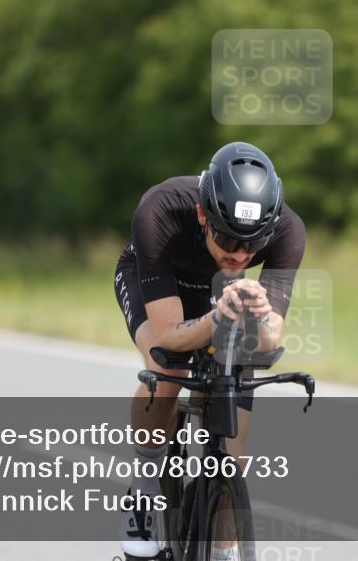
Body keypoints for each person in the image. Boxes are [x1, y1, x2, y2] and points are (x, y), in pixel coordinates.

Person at [113, 142, 306, 559]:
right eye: (227, 239)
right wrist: (215, 320)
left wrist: (257, 316)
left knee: (234, 388)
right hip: (161, 286)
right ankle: (144, 491)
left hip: (223, 297)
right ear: (203, 215)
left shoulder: (289, 231)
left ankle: (220, 544)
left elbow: (271, 338)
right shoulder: (160, 210)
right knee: (169, 370)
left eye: (251, 245)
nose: (239, 255)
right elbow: (166, 336)